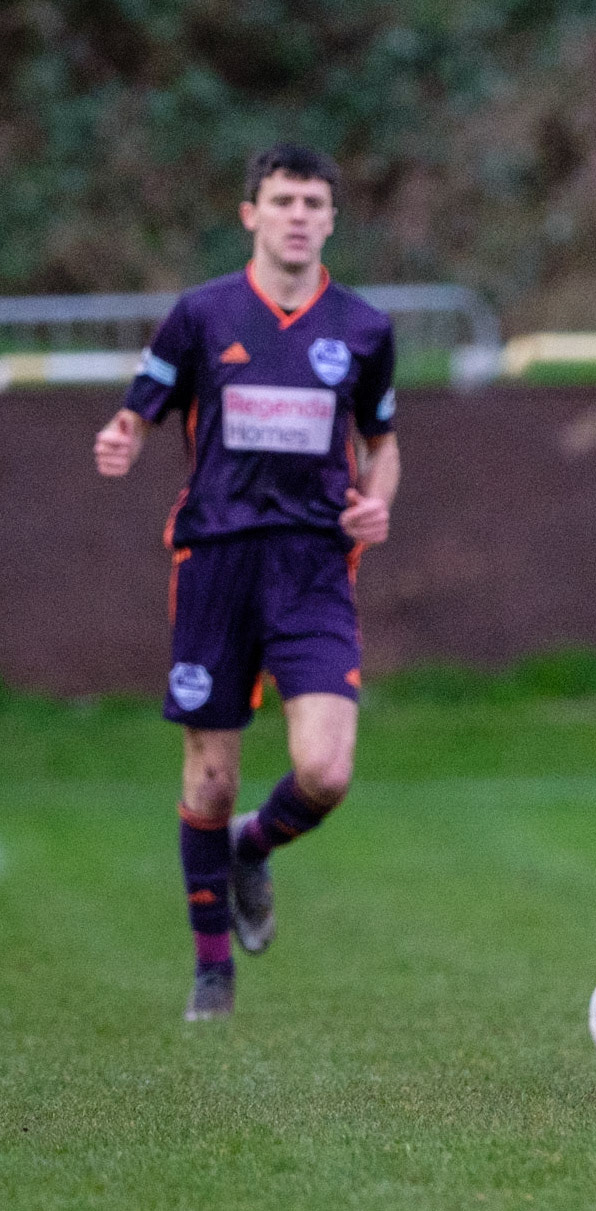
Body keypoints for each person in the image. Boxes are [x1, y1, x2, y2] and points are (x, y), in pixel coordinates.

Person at [93, 144, 400, 1021]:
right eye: (282, 200)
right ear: (250, 213)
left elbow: (383, 445)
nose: (298, 214)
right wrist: (122, 438)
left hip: (313, 570)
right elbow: (138, 406)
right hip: (216, 565)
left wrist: (376, 500)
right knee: (210, 779)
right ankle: (211, 973)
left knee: (327, 770)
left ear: (331, 219)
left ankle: (251, 849)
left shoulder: (364, 328)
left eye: (314, 202)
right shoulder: (200, 315)